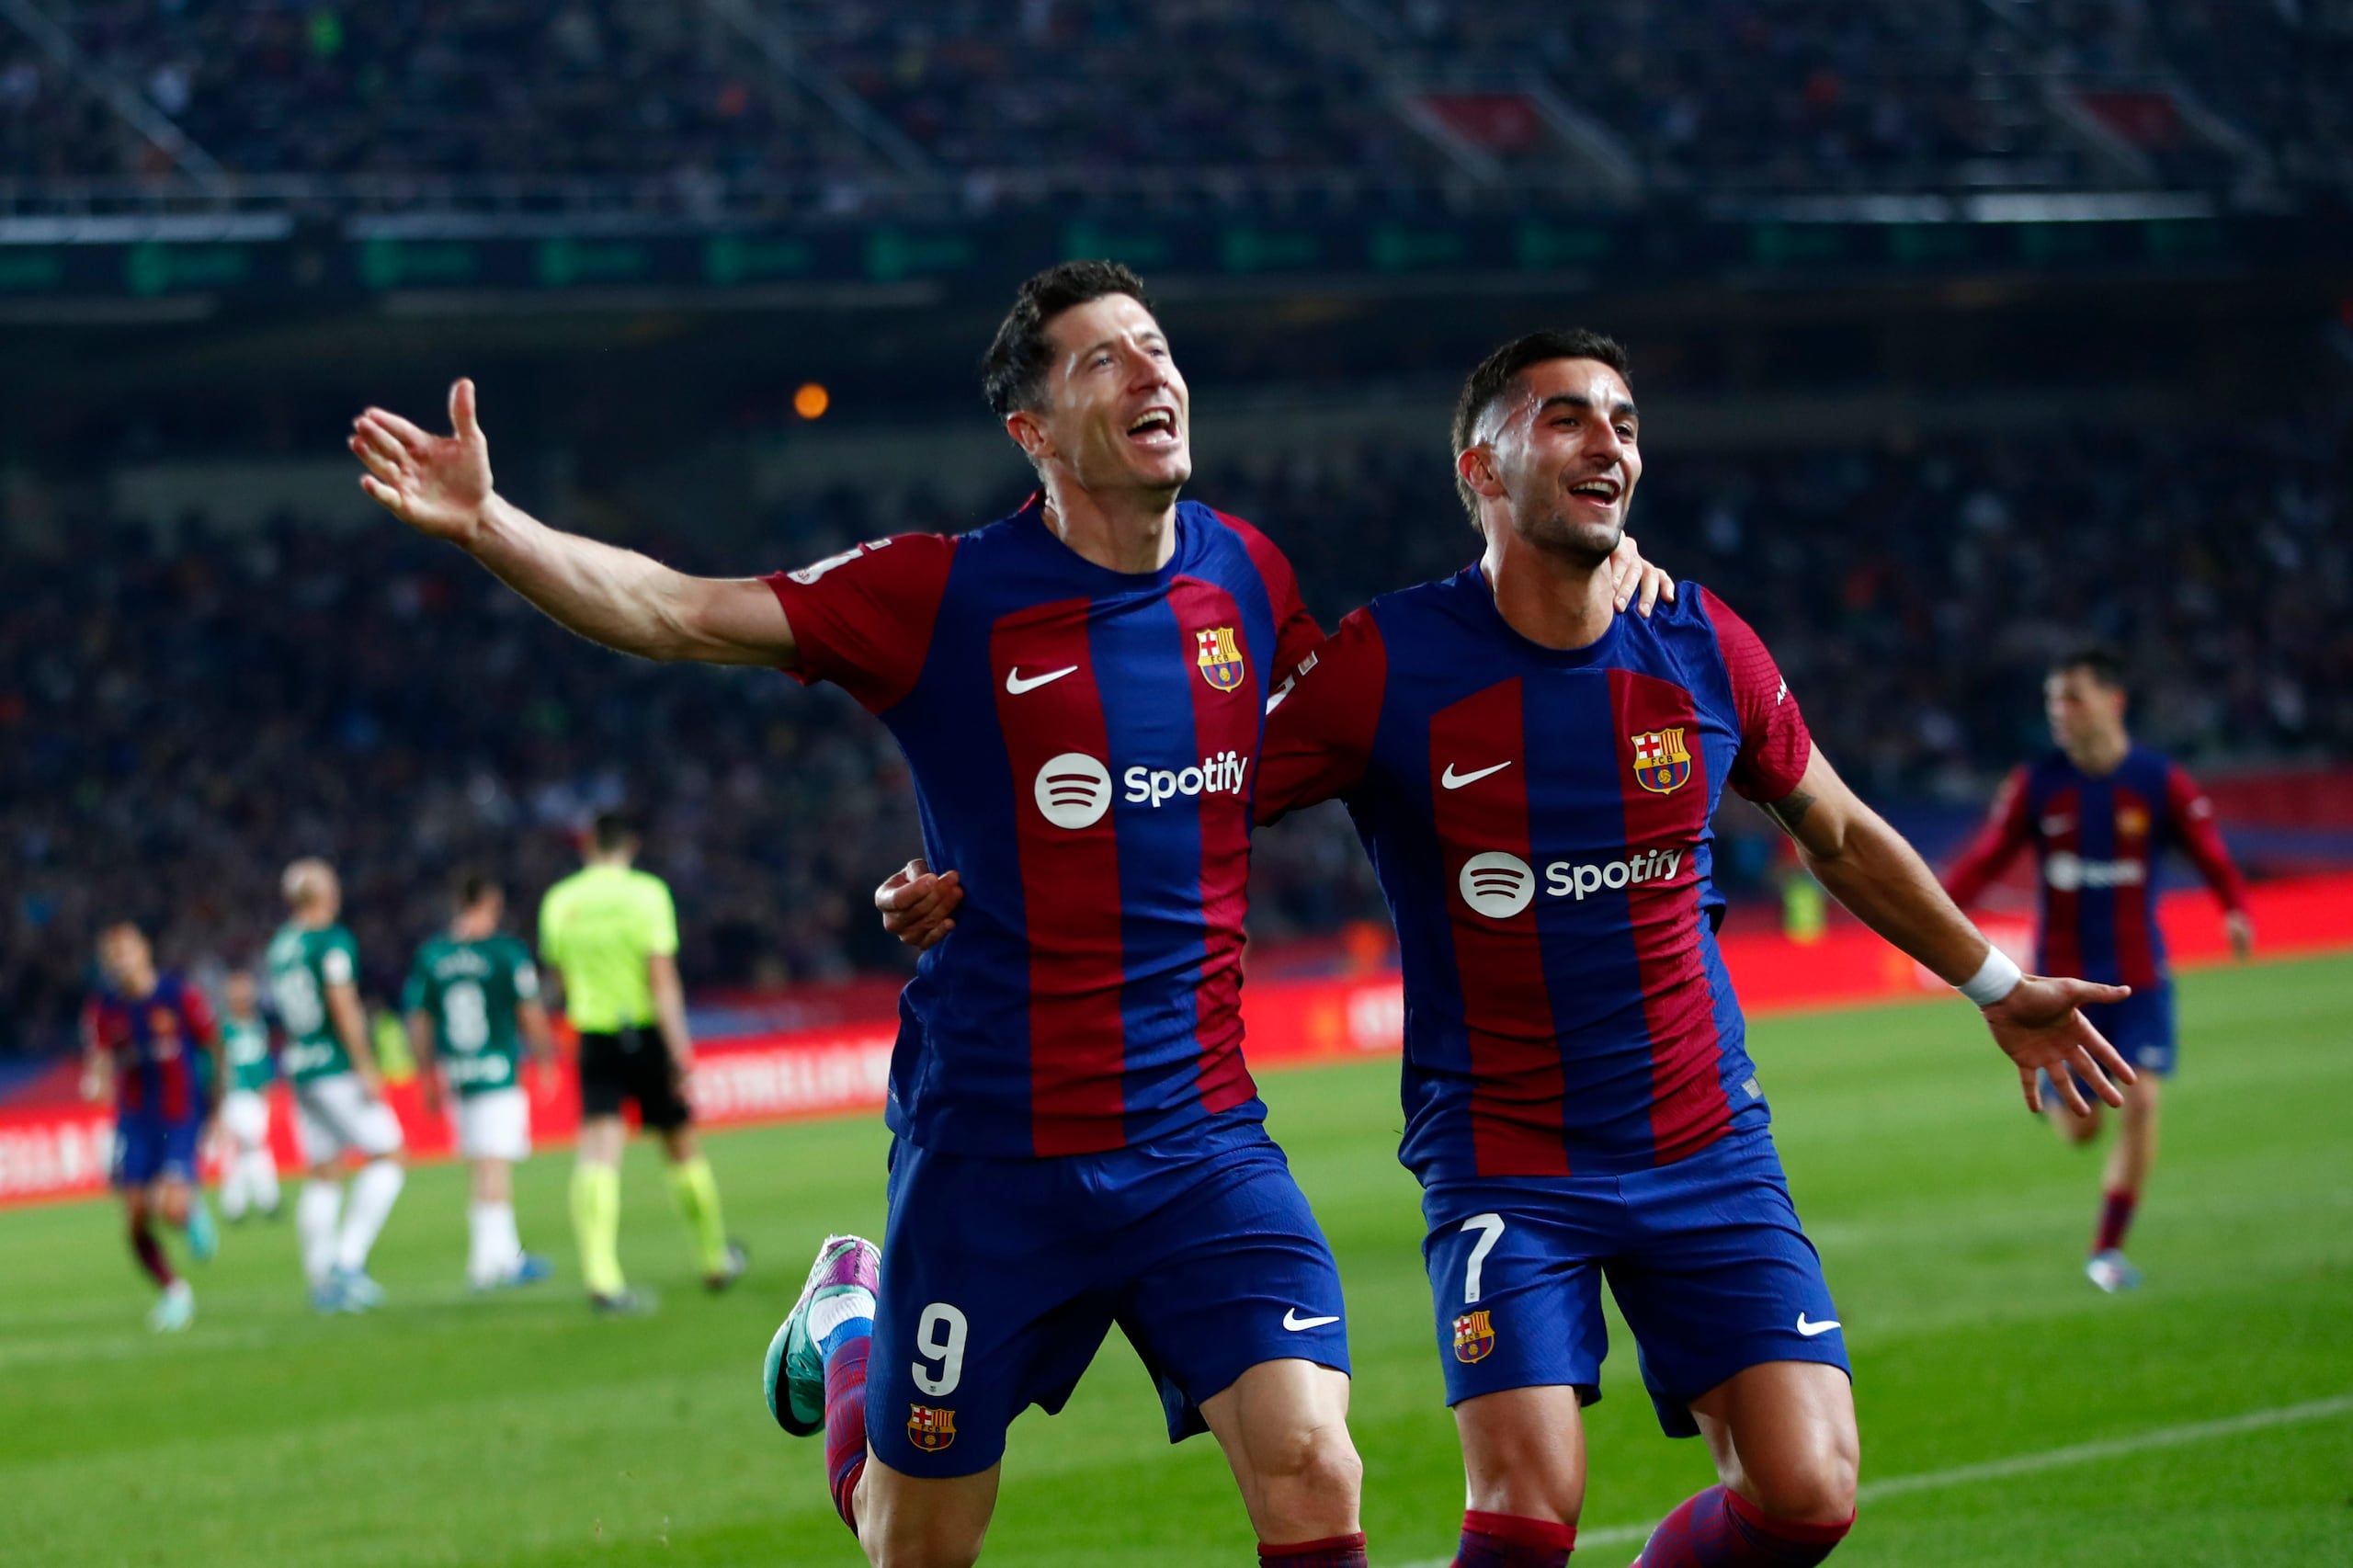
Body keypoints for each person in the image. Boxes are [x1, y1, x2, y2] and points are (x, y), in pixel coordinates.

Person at [349, 261, 1643, 1568]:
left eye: (1156, 345)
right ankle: (850, 1321)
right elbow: (680, 612)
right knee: (915, 1541)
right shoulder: (939, 594)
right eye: (1103, 361)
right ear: (1032, 433)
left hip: (1202, 1143)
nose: (1152, 373)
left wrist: (1591, 570)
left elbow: (1375, 708)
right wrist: (493, 524)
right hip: (994, 1157)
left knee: (1316, 1462)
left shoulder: (1246, 573)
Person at [881, 330, 2135, 1568]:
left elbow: (1844, 830)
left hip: (1707, 1144)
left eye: (1626, 422)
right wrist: (966, 878)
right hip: (1506, 1160)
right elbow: (1174, 787)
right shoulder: (1388, 664)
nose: (1610, 443)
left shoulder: (1700, 641)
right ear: (1480, 472)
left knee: (1809, 1494)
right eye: (1569, 418)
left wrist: (1996, 981)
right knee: (1530, 1508)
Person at [1943, 644, 2253, 1292]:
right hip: (2060, 985)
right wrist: (1932, 913)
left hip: (2139, 976)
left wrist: (2234, 907)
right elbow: (1986, 858)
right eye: (2054, 700)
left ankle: (2106, 1253)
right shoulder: (2037, 784)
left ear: (2115, 702)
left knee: (2141, 1100)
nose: (2060, 711)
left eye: (2073, 697)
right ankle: (2055, 1096)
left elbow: (2210, 851)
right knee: (2083, 1130)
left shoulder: (2159, 781)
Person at [537, 811, 745, 1313]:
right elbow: (661, 977)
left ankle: (602, 1277)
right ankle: (714, 1260)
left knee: (598, 1151)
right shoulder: (647, 894)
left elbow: (559, 978)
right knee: (679, 1145)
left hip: (593, 1034)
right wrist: (679, 1048)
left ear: (587, 844)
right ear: (628, 844)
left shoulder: (561, 901)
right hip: (647, 1033)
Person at [404, 871, 559, 1292]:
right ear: (489, 903)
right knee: (494, 1166)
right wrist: (545, 1057)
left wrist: (426, 1077)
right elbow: (530, 1011)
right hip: (496, 1071)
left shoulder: (432, 956)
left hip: (458, 1074)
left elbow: (419, 1022)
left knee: (481, 1166)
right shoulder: (506, 952)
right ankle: (488, 1264)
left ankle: (503, 1256)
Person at [265, 858, 407, 1312]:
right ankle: (348, 1263)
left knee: (324, 1172)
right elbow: (342, 1003)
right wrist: (365, 1064)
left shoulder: (281, 945)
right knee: (390, 1155)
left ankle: (321, 1279)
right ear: (323, 894)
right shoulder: (331, 940)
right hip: (335, 1067)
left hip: (300, 1066)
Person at [81, 922, 222, 1331]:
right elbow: (101, 1059)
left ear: (144, 950)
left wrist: (216, 1106)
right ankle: (174, 1292)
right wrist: (96, 1080)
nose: (120, 961)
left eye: (126, 950)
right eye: (112, 955)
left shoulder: (178, 995)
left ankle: (189, 1212)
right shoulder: (103, 1007)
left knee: (169, 1205)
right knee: (135, 1216)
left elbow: (212, 1045)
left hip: (179, 1114)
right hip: (134, 1119)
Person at [214, 968, 282, 1222]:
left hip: (256, 1095)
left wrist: (269, 1090)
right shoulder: (224, 1028)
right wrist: (218, 1102)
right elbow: (217, 1066)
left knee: (245, 1150)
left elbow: (265, 1063)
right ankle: (268, 1200)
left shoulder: (258, 1025)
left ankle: (234, 1204)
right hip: (236, 1095)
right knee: (253, 1145)